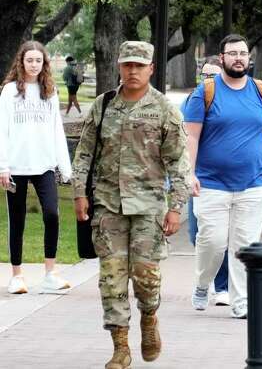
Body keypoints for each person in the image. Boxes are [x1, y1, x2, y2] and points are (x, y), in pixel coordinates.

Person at [71, 41, 191, 368]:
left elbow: (179, 161)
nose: (133, 71)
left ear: (151, 68)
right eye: (127, 65)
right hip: (107, 205)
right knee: (111, 277)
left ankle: (149, 317)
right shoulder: (104, 104)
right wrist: (79, 194)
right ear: (119, 67)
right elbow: (84, 153)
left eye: (140, 65)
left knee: (145, 276)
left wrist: (176, 206)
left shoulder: (164, 108)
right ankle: (120, 348)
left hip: (149, 206)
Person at [183, 34, 262, 319]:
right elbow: (191, 137)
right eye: (233, 53)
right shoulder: (204, 93)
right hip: (211, 184)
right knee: (213, 242)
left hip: (253, 183)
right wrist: (189, 174)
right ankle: (203, 283)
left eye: (243, 53)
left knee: (244, 244)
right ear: (222, 59)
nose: (239, 58)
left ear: (249, 58)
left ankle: (240, 299)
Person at [0, 41, 73, 295]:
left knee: (52, 214)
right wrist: (3, 166)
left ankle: (50, 272)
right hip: (16, 166)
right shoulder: (9, 91)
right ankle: (17, 276)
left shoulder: (49, 92)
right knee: (17, 222)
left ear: (44, 64)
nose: (33, 64)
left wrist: (65, 167)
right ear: (21, 62)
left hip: (44, 165)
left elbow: (56, 130)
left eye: (38, 60)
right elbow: (2, 130)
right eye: (29, 60)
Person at [183, 58, 229, 308]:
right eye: (204, 75)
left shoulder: (229, 100)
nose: (208, 79)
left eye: (213, 74)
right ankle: (206, 278)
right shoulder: (191, 101)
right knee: (197, 234)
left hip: (223, 181)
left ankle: (223, 287)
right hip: (196, 178)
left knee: (221, 237)